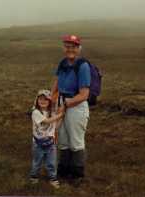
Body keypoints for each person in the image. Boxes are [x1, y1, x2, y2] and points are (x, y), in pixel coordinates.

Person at [51, 35, 90, 183]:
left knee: (76, 141)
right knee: (63, 138)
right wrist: (52, 99)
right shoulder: (63, 63)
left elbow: (84, 94)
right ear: (64, 48)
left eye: (73, 46)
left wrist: (66, 104)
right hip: (62, 102)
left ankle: (77, 174)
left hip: (76, 106)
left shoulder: (83, 66)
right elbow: (56, 81)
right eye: (67, 46)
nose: (70, 49)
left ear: (79, 49)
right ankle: (63, 169)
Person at [29, 89, 64, 189]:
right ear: (36, 101)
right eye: (40, 99)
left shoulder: (52, 112)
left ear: (49, 101)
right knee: (37, 161)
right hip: (38, 143)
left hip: (50, 143)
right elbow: (48, 121)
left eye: (46, 99)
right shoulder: (35, 112)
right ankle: (34, 176)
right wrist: (60, 115)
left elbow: (56, 124)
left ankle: (53, 178)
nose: (43, 101)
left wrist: (62, 113)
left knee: (51, 162)